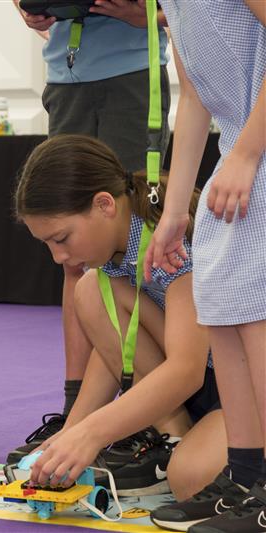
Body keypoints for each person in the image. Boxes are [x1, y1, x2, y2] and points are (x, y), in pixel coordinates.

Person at [15, 135, 224, 499]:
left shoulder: (171, 243)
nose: (57, 257)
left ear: (104, 205)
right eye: (46, 244)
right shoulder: (114, 251)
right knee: (91, 289)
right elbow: (114, 348)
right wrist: (70, 436)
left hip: (240, 385)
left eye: (62, 238)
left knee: (191, 479)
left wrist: (93, 433)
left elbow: (187, 369)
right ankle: (173, 435)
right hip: (202, 380)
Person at [8, 0, 171, 462]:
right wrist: (29, 9)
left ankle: (154, 415)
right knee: (75, 255)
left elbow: (197, 12)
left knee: (137, 240)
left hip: (134, 73)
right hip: (65, 76)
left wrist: (151, 15)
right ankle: (76, 407)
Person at [144, 2, 266, 531]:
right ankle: (246, 478)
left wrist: (246, 153)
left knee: (258, 318)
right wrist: (174, 211)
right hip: (237, 152)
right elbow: (193, 98)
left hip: (253, 149)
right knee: (221, 311)